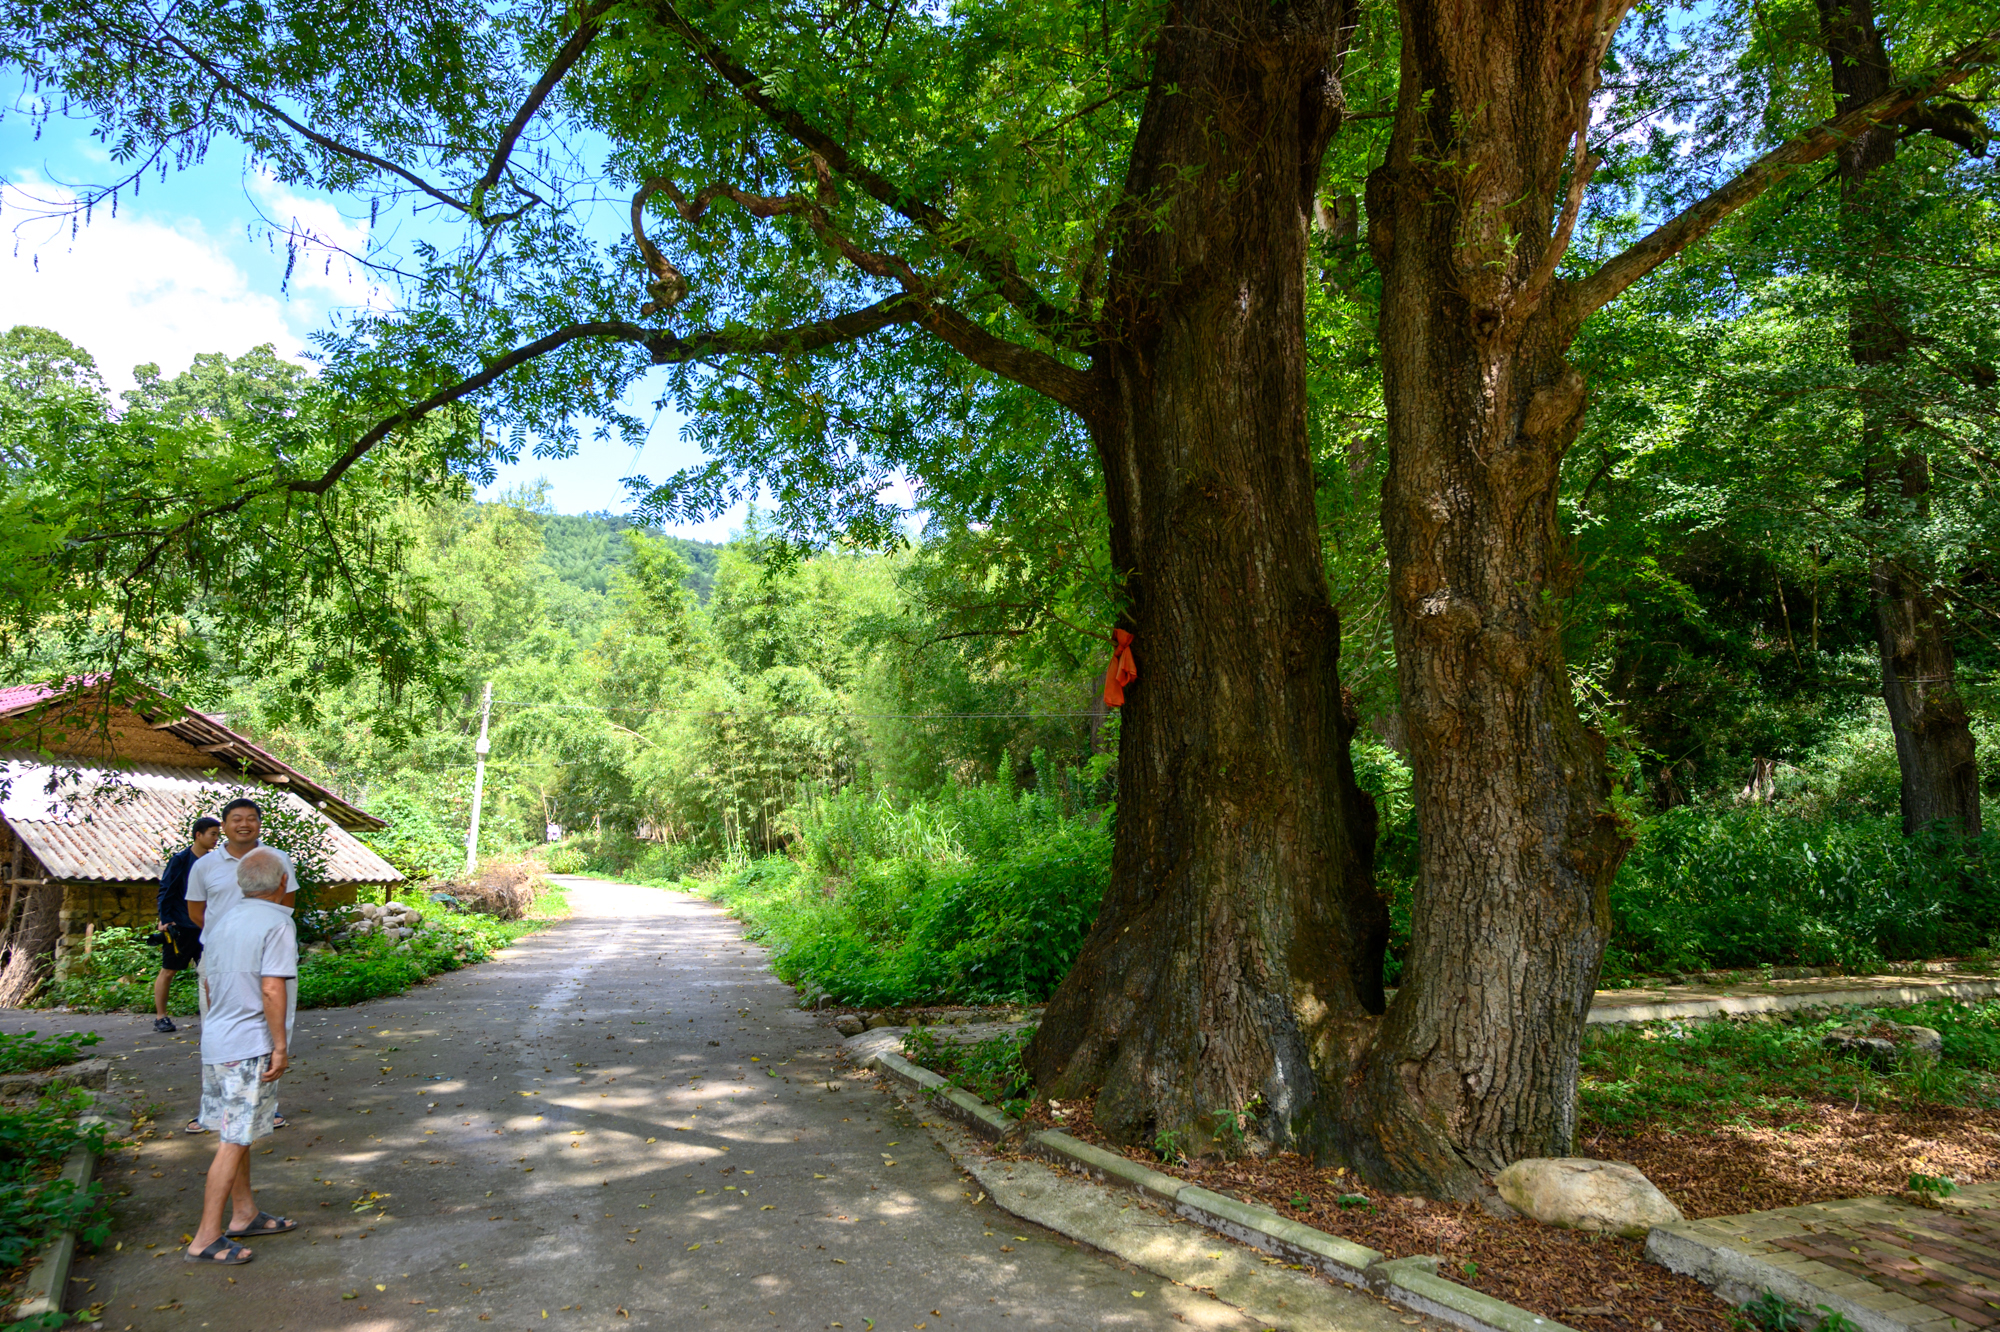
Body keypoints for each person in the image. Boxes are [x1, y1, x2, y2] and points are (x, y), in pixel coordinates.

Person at [183, 847, 300, 1264]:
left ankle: (244, 1213)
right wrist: (280, 1047)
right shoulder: (277, 923)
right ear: (282, 883)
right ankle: (205, 1237)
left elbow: (210, 986)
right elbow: (272, 988)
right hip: (250, 1045)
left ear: (240, 884)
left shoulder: (222, 924)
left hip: (217, 1041)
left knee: (237, 1133)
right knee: (234, 1140)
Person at [183, 798, 296, 1134]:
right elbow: (195, 912)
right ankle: (213, 1109)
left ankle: (265, 1107)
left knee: (276, 1025)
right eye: (236, 819)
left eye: (251, 818)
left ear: (260, 823)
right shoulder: (205, 865)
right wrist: (226, 939)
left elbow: (285, 905)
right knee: (216, 1026)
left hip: (267, 955)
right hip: (219, 960)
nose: (244, 824)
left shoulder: (278, 860)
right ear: (224, 825)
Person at [151, 817, 220, 1033]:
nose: (216, 839)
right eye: (213, 834)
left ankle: (211, 1015)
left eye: (218, 834)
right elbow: (166, 890)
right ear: (198, 835)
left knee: (211, 973)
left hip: (206, 925)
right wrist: (165, 918)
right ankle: (161, 1017)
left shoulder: (215, 861)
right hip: (180, 925)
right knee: (169, 971)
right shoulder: (180, 860)